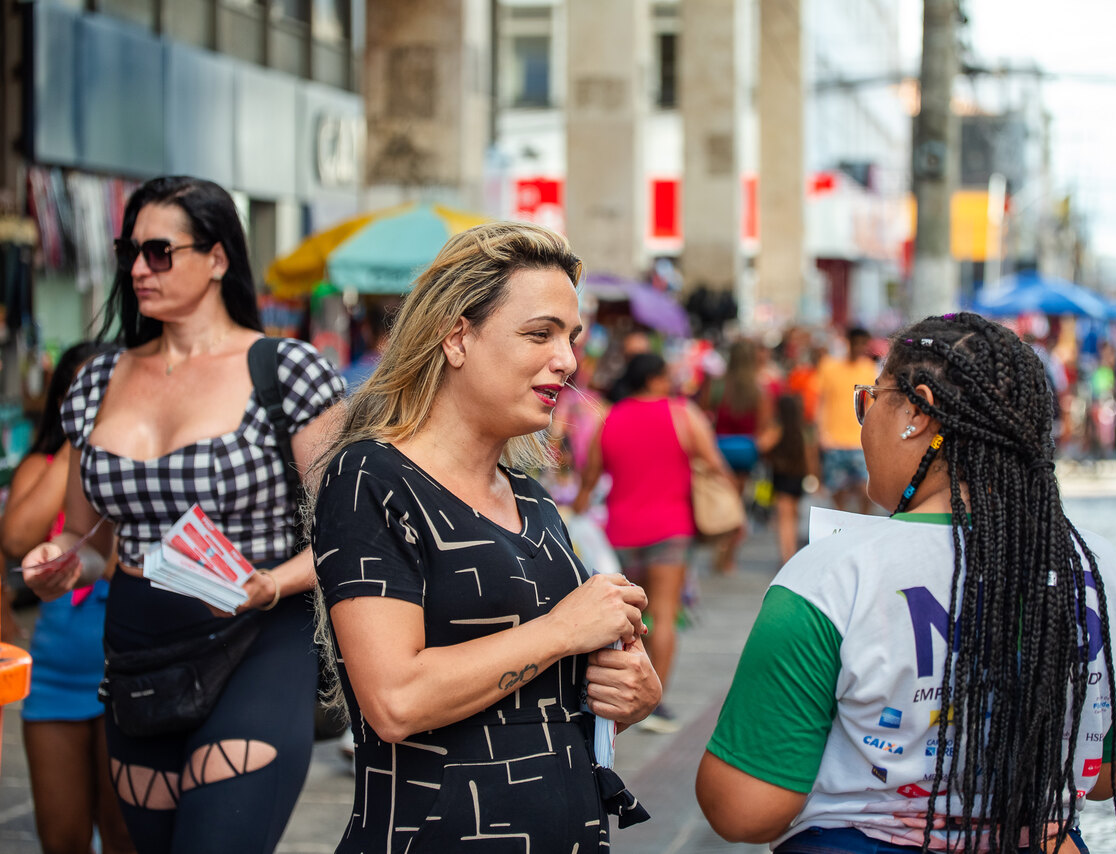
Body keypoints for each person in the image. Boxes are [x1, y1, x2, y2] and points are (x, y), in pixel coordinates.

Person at [696, 312, 1116, 852]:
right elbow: (1103, 776)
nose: (864, 422)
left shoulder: (833, 576)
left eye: (871, 400)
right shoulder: (1104, 572)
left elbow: (744, 810)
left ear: (916, 411)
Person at [309, 221, 661, 853]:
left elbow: (536, 701)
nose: (569, 360)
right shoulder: (372, 477)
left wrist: (624, 695)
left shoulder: (532, 499)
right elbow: (395, 699)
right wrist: (563, 631)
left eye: (571, 337)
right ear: (457, 337)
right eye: (540, 333)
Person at [21, 175, 346, 854]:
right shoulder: (97, 380)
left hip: (258, 632)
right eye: (130, 252)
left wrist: (270, 584)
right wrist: (61, 566)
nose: (139, 269)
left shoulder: (286, 370)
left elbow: (350, 536)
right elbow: (92, 541)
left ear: (218, 257)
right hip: (140, 641)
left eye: (161, 252)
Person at [2, 341, 133, 854]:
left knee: (123, 834)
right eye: (81, 392)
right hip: (55, 675)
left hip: (120, 671)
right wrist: (79, 444)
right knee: (61, 838)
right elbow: (15, 538)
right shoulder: (45, 464)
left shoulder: (141, 469)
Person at [574, 352, 732, 734]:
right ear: (657, 380)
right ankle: (651, 701)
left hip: (619, 533)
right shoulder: (682, 414)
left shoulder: (609, 418)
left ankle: (612, 696)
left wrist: (576, 513)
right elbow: (715, 463)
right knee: (662, 614)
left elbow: (590, 478)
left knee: (622, 618)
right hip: (670, 530)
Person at [704, 337, 773, 573]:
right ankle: (728, 556)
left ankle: (718, 550)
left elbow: (704, 416)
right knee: (738, 505)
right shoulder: (758, 390)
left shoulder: (717, 385)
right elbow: (763, 426)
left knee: (721, 502)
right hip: (745, 453)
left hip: (719, 450)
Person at [815, 326, 878, 514]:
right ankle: (842, 525)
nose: (860, 348)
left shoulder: (869, 369)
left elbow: (873, 406)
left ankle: (863, 523)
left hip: (859, 440)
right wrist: (821, 433)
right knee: (837, 489)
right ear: (848, 342)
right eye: (857, 343)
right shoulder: (829, 366)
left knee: (866, 490)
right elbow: (821, 401)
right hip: (834, 439)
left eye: (863, 344)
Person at [757, 393, 818, 563]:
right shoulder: (802, 429)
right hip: (798, 477)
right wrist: (813, 475)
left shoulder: (778, 428)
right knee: (794, 517)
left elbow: (761, 445)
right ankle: (792, 554)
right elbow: (810, 454)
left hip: (782, 477)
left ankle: (786, 557)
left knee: (784, 520)